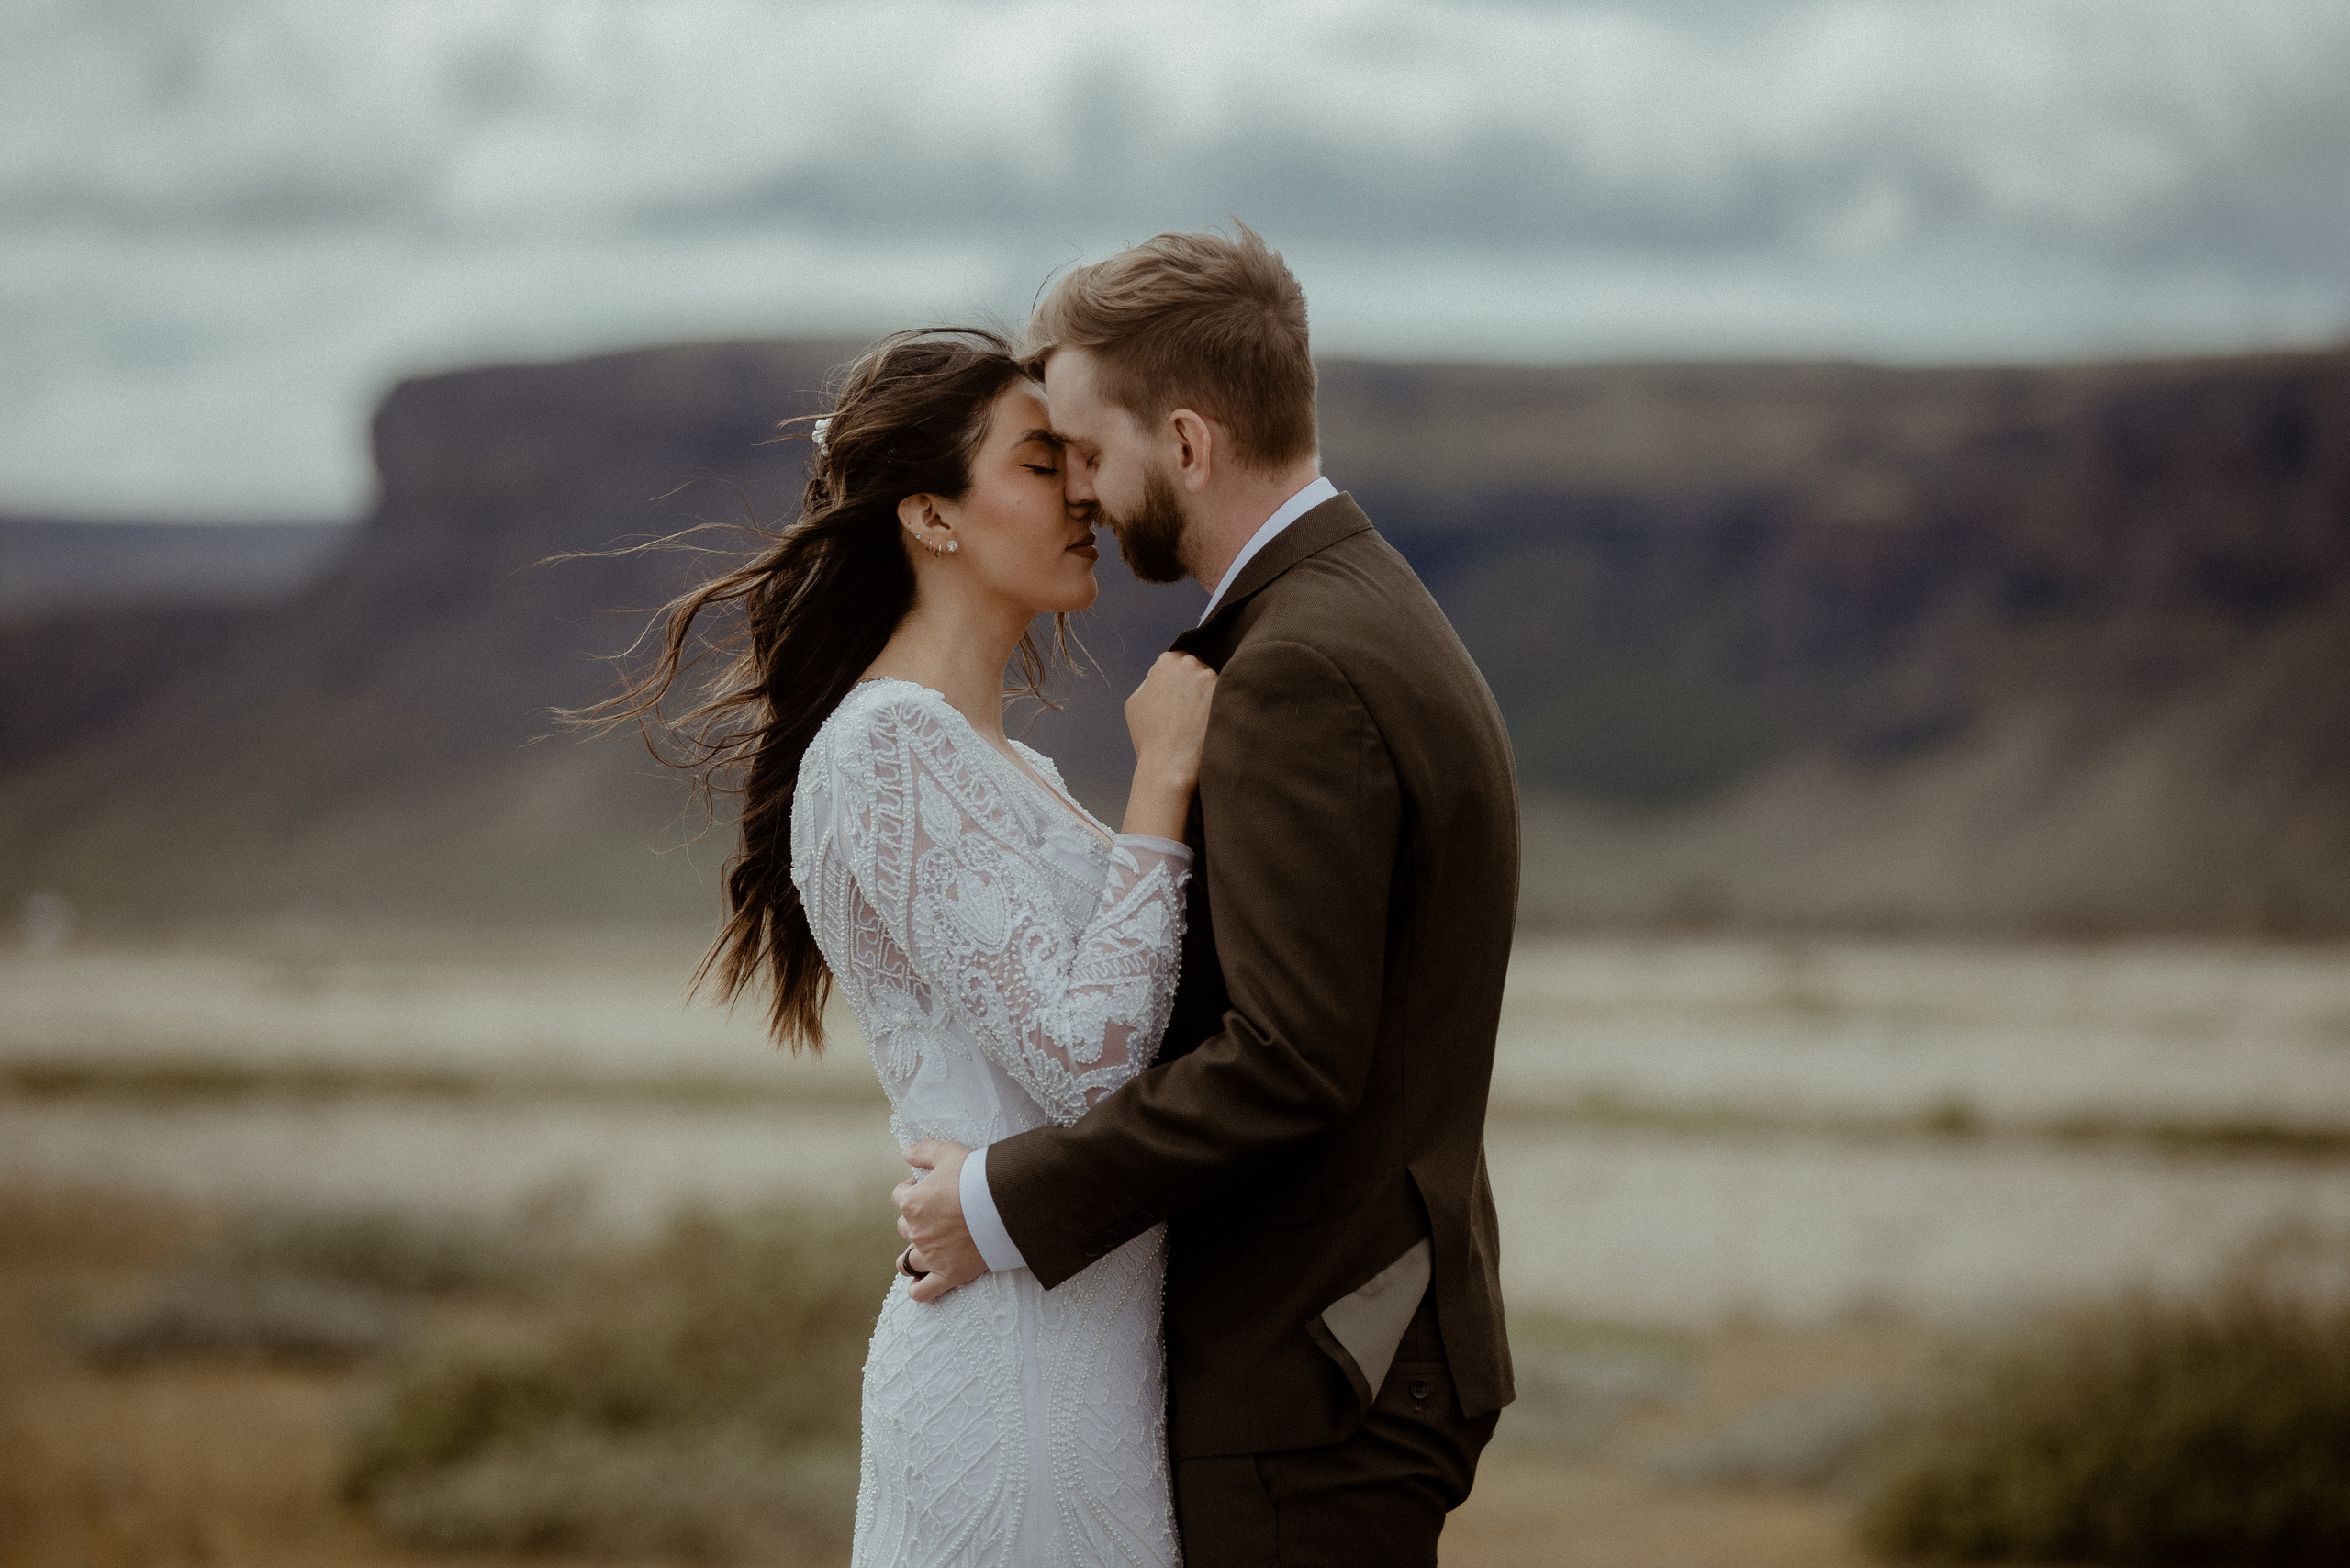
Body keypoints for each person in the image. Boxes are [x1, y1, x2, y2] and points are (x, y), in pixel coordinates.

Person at [893, 225, 1522, 1565]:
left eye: (1091, 456)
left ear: (1185, 444)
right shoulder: (1352, 607)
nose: (1082, 497)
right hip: (1354, 1348)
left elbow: (1291, 1060)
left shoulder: (1301, 666)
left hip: (1319, 1370)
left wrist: (999, 1202)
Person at [583, 327, 1215, 1566]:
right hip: (1015, 1381)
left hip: (1096, 1371)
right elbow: (1087, 1063)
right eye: (1043, 463)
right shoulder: (888, 751)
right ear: (931, 515)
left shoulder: (1010, 766)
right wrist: (1167, 783)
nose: (1086, 491)